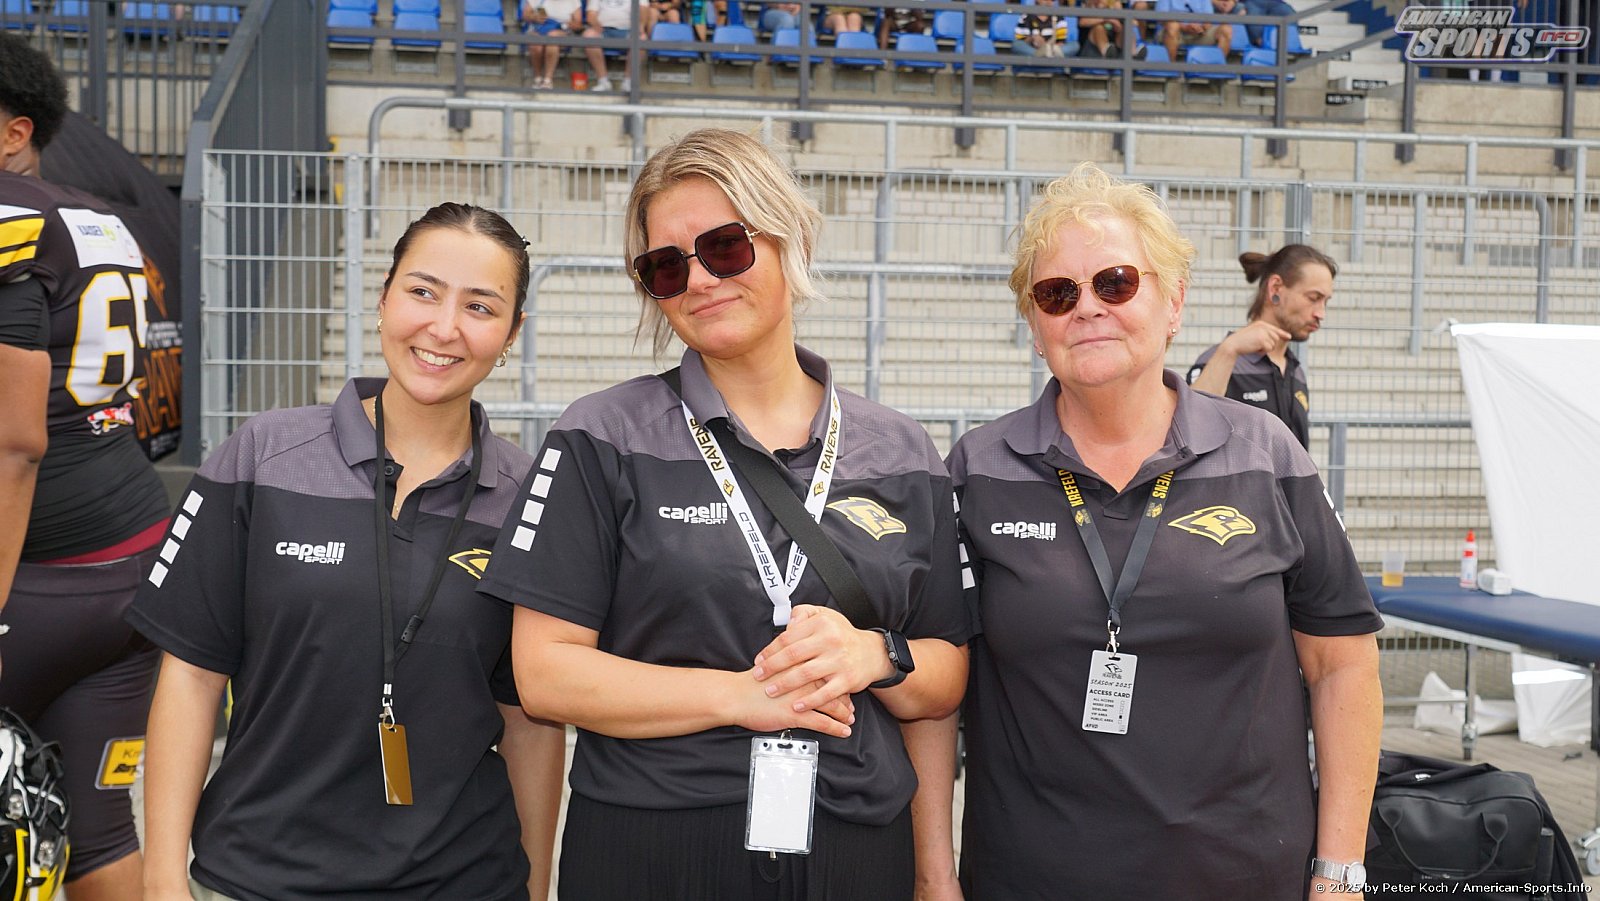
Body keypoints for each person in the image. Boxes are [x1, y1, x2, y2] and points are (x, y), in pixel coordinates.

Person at [478, 128, 970, 900]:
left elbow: (946, 671)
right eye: (666, 266)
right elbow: (544, 673)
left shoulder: (901, 449)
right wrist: (737, 695)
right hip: (653, 846)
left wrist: (876, 654)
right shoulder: (601, 434)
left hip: (854, 845)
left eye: (725, 247)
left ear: (788, 238)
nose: (700, 279)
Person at [923, 162, 1382, 899]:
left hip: (1246, 876)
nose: (1086, 308)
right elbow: (936, 685)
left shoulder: (1265, 454)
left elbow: (1344, 665)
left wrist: (1340, 872)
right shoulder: (978, 468)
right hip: (1032, 879)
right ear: (1034, 324)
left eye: (1115, 283)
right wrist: (933, 876)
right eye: (1057, 293)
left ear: (1173, 302)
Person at [128, 203, 566, 901]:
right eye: (423, 291)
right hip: (258, 876)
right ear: (384, 297)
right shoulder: (262, 456)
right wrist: (160, 877)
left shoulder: (529, 498)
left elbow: (530, 724)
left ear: (512, 332)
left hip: (463, 881)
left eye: (480, 307)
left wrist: (536, 889)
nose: (444, 327)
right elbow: (191, 677)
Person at [0, 32, 172, 901]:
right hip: (135, 560)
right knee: (99, 823)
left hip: (38, 572)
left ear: (13, 132)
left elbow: (16, 441)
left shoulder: (10, 219)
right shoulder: (99, 217)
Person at [1186, 243, 1337, 449]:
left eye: (1325, 302)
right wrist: (1229, 350)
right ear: (1275, 288)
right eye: (1314, 298)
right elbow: (1189, 432)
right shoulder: (1222, 359)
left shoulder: (1296, 371)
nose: (1321, 313)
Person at [583, 0, 654, 90]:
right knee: (589, 35)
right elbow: (591, 14)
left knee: (642, 39)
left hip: (629, 30)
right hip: (603, 30)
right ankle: (603, 82)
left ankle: (628, 82)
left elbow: (644, 9)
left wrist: (640, 26)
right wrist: (596, 25)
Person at [522, 0, 585, 89]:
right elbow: (525, 15)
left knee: (553, 37)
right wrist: (534, 17)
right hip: (538, 28)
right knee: (536, 43)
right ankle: (538, 78)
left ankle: (548, 80)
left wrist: (568, 24)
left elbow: (578, 24)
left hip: (562, 32)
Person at [1156, 0, 1232, 61]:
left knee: (1226, 29)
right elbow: (1162, 18)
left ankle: (1215, 69)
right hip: (1176, 33)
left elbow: (1209, 20)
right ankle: (1170, 69)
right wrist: (1184, 27)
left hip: (1199, 34)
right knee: (1172, 26)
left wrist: (1202, 28)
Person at [1078, 0, 1146, 59]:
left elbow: (1133, 22)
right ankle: (1106, 52)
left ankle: (1133, 54)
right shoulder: (1088, 6)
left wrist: (1118, 13)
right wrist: (1106, 19)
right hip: (1091, 45)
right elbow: (1082, 22)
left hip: (1115, 44)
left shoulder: (1113, 5)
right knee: (1098, 28)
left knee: (1125, 28)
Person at [1011, 9, 1078, 58]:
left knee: (1075, 45)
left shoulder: (1059, 17)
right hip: (1033, 49)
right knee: (1016, 44)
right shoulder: (1026, 16)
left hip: (1053, 49)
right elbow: (1021, 41)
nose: (1049, 1)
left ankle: (1044, 54)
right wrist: (1033, 38)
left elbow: (1061, 42)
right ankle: (1041, 54)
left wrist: (1049, 47)